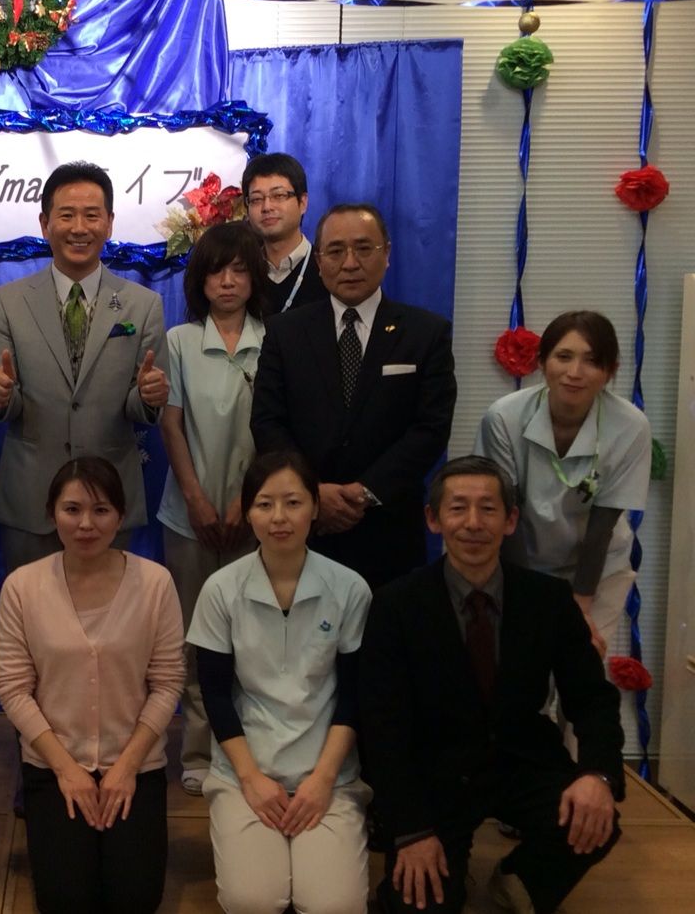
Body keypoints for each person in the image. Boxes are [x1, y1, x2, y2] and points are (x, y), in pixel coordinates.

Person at [360, 456, 623, 914]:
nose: (473, 523)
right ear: (433, 519)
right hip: (436, 772)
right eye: (458, 508)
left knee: (595, 821)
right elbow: (381, 727)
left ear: (510, 520)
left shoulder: (548, 599)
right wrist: (411, 830)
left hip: (520, 758)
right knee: (418, 905)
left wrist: (598, 775)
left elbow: (592, 698)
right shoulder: (395, 605)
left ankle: (517, 878)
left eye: (488, 508)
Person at [0, 457, 185, 913]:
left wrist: (127, 766)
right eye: (72, 509)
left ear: (121, 515)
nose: (86, 524)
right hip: (53, 765)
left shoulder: (155, 582)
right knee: (66, 901)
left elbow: (167, 683)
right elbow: (14, 689)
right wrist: (66, 770)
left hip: (135, 763)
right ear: (51, 513)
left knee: (134, 900)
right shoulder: (22, 586)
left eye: (100, 510)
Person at [188, 450, 372, 914]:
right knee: (253, 901)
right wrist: (251, 779)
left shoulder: (350, 588)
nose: (279, 518)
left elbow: (353, 696)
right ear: (248, 512)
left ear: (315, 507)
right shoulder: (221, 589)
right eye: (264, 504)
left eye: (293, 503)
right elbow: (214, 694)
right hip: (246, 772)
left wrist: (323, 780)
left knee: (335, 907)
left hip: (327, 773)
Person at [250, 202, 456, 588]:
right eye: (335, 250)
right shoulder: (284, 332)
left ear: (387, 254)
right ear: (319, 261)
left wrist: (365, 492)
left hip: (389, 529)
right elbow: (267, 422)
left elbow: (431, 428)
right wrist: (312, 493)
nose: (349, 263)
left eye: (363, 248)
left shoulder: (426, 333)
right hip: (303, 528)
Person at [0, 161, 170, 572]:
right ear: (45, 223)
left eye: (91, 215)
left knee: (111, 609)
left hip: (109, 498)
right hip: (31, 499)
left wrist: (149, 398)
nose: (79, 228)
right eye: (66, 215)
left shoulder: (143, 305)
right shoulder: (8, 301)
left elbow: (141, 408)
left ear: (109, 223)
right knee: (30, 608)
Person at [157, 221, 270, 795]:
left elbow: (274, 430)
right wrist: (197, 499)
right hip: (188, 516)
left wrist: (243, 502)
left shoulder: (275, 340)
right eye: (216, 271)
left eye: (240, 270)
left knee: (252, 634)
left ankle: (248, 751)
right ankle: (198, 751)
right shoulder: (179, 341)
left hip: (258, 516)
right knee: (194, 637)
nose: (227, 281)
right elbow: (171, 424)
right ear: (199, 280)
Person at [475, 310, 650, 658]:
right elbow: (505, 513)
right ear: (542, 362)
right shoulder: (504, 417)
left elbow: (602, 526)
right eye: (564, 356)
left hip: (597, 569)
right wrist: (530, 600)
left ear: (610, 370)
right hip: (521, 557)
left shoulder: (631, 426)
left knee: (581, 664)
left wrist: (580, 607)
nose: (575, 372)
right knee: (522, 665)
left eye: (592, 361)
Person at [241, 152, 327, 314]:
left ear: (303, 203)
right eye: (256, 199)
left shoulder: (327, 268)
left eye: (278, 195)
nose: (267, 207)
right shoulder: (242, 272)